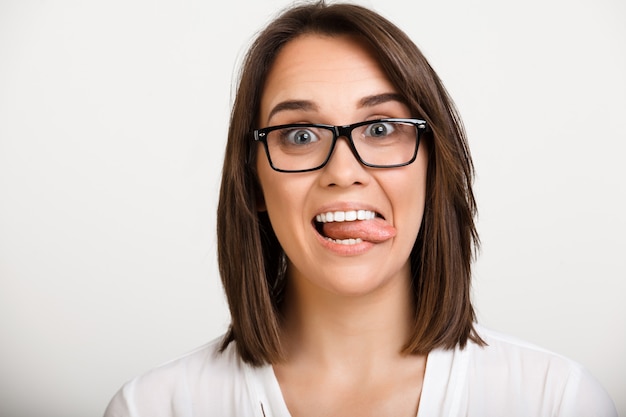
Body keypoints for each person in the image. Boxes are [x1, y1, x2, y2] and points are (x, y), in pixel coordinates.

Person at [103, 2, 617, 416]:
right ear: (254, 183)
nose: (344, 171)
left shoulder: (556, 401)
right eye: (299, 134)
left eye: (380, 129)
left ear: (433, 167)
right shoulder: (153, 407)